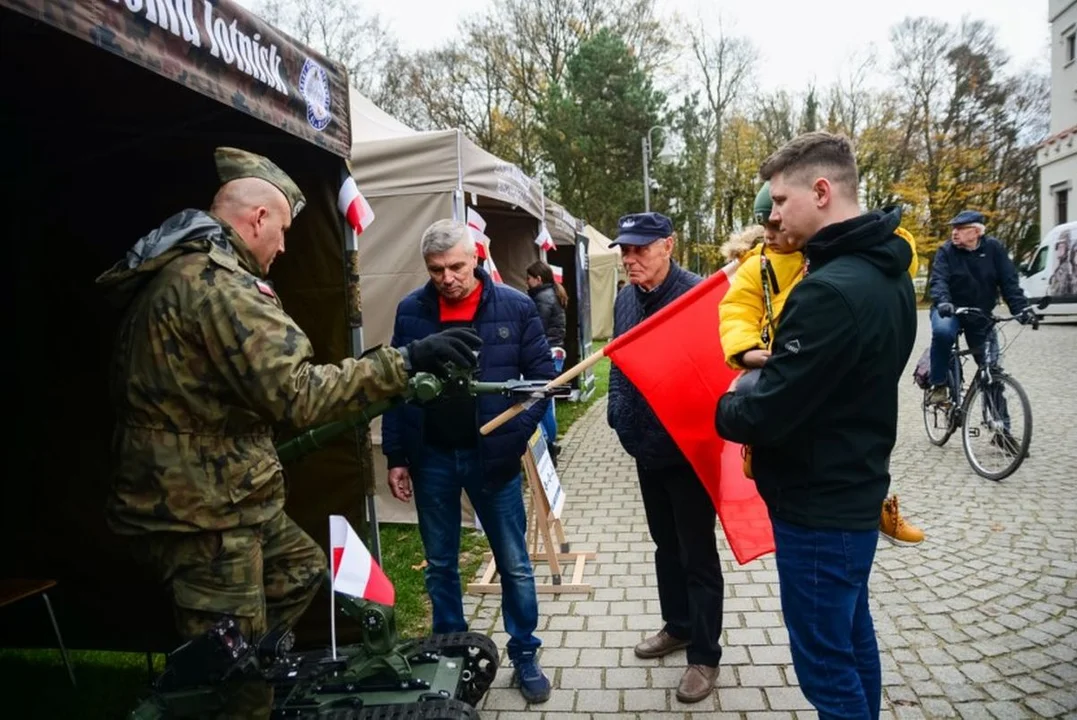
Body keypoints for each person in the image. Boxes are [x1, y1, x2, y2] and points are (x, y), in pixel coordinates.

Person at [97, 148, 479, 648]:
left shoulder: (181, 273)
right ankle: (235, 687)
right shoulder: (218, 287)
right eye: (281, 233)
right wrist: (403, 362)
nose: (281, 249)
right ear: (258, 218)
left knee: (299, 570)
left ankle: (256, 662)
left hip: (215, 494)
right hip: (202, 510)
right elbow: (297, 395)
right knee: (229, 673)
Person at [715, 131, 918, 719]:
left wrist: (731, 399)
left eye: (779, 201)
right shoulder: (885, 271)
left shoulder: (829, 289)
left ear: (822, 191)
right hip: (851, 486)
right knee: (851, 641)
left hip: (818, 507)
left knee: (826, 668)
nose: (772, 214)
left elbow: (769, 410)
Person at [382, 219, 555, 704]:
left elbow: (541, 381)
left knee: (515, 564)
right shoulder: (412, 311)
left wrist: (514, 433)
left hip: (492, 458)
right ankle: (452, 654)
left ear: (475, 257)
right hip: (431, 455)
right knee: (440, 565)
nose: (447, 277)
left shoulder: (515, 307)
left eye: (455, 266)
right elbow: (396, 387)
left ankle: (524, 654)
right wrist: (396, 455)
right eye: (436, 269)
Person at [718, 182, 925, 547]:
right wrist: (747, 350)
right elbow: (737, 310)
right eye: (765, 228)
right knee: (773, 406)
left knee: (855, 429)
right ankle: (760, 452)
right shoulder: (758, 266)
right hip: (779, 358)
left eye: (778, 226)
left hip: (826, 359)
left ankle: (877, 502)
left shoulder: (830, 259)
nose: (772, 235)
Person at [607, 212, 725, 704]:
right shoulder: (623, 301)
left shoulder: (698, 296)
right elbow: (617, 361)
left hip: (692, 449)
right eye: (624, 250)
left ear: (668, 246)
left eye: (640, 249)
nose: (630, 258)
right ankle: (677, 626)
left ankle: (704, 654)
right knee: (663, 545)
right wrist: (617, 413)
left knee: (696, 552)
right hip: (646, 446)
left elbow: (719, 372)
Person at [925, 211, 1035, 412]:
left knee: (991, 368)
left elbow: (1009, 283)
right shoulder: (946, 251)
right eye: (953, 229)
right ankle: (939, 384)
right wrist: (943, 301)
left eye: (960, 229)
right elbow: (939, 280)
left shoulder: (994, 249)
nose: (954, 233)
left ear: (976, 232)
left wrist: (1022, 310)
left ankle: (1000, 424)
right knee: (942, 333)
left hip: (980, 314)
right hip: (950, 310)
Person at [526, 260, 567, 461]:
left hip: (544, 354)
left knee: (540, 402)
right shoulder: (554, 294)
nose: (527, 282)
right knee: (547, 401)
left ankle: (548, 445)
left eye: (529, 278)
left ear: (538, 279)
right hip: (555, 352)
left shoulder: (542, 298)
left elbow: (536, 330)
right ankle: (551, 443)